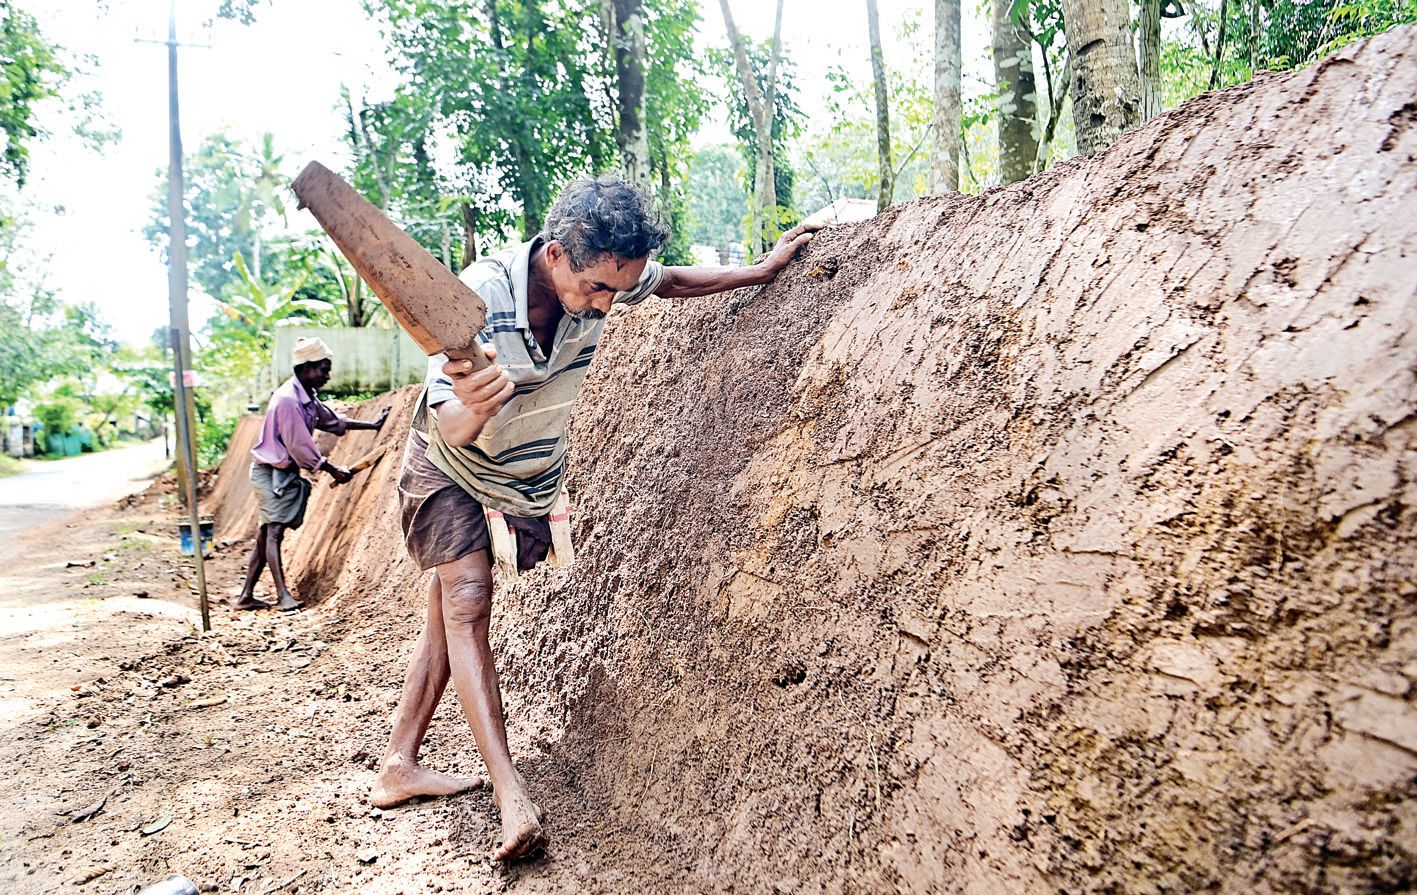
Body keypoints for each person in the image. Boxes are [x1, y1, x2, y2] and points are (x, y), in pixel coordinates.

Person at [368, 175, 817, 861]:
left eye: (618, 288)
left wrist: (759, 269)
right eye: (599, 290)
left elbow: (671, 284)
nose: (609, 305)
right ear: (554, 256)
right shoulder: (479, 295)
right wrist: (477, 404)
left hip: (520, 471)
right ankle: (508, 790)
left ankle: (399, 764)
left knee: (446, 609)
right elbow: (448, 423)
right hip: (447, 462)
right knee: (466, 595)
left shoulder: (610, 274)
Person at [235, 336, 389, 612]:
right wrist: (331, 469)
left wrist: (373, 424)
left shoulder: (305, 396)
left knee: (266, 533)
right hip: (270, 473)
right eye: (323, 369)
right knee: (274, 532)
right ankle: (283, 596)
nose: (327, 375)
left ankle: (246, 596)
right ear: (305, 368)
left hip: (280, 471)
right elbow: (299, 446)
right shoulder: (288, 401)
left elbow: (331, 421)